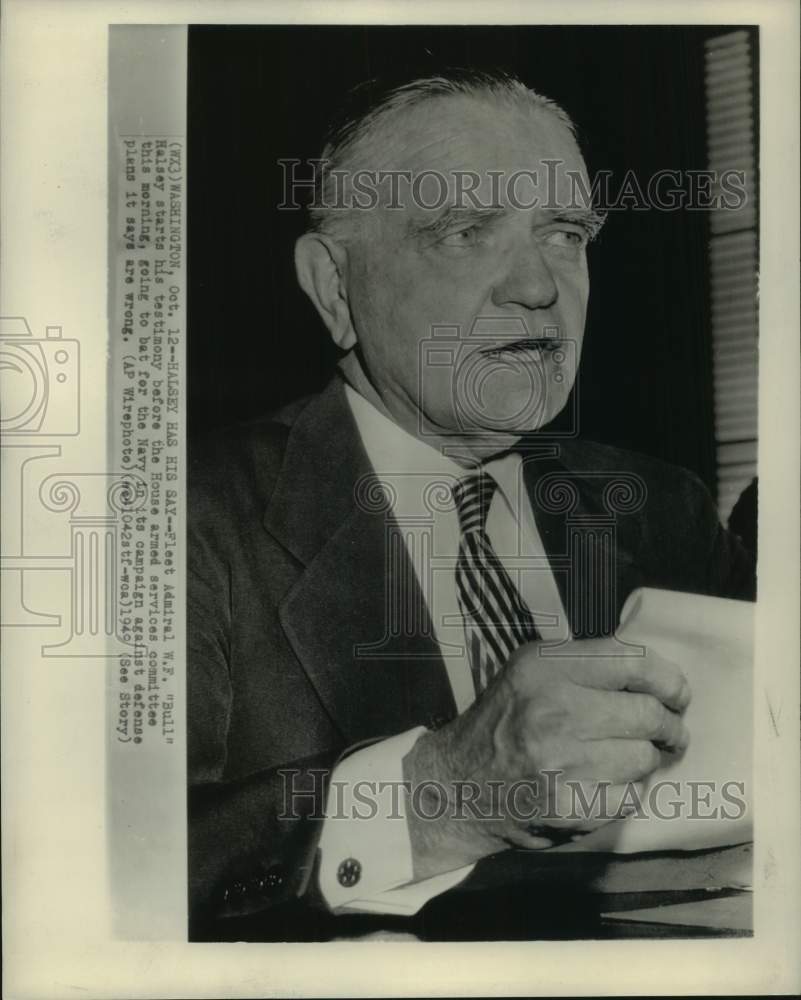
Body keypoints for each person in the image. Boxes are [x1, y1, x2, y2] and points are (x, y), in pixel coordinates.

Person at [188, 69, 754, 935]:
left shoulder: (660, 510)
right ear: (333, 288)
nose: (537, 287)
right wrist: (439, 795)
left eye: (563, 232)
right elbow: (91, 872)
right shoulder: (184, 521)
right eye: (463, 231)